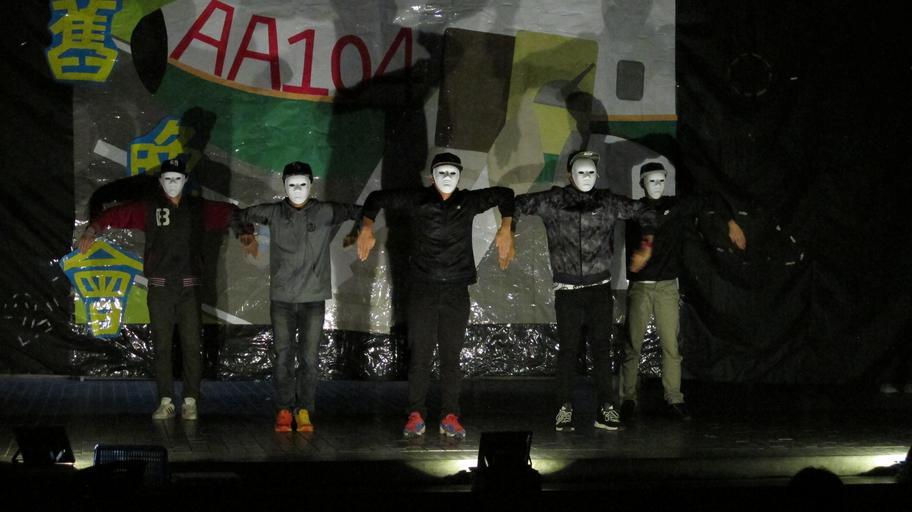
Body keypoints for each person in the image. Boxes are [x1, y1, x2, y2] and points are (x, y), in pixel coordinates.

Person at [356, 152, 514, 439]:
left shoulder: (467, 202)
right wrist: (366, 227)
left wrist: (507, 228)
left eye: (453, 173)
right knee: (421, 355)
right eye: (442, 173)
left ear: (460, 176)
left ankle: (450, 415)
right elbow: (376, 198)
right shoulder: (418, 200)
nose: (447, 178)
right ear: (432, 176)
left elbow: (505, 194)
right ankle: (416, 413)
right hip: (423, 289)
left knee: (451, 357)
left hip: (455, 289)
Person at [78, 156, 239, 420]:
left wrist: (246, 230)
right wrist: (92, 229)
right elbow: (116, 214)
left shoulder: (197, 208)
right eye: (168, 179)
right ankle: (166, 400)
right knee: (162, 346)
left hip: (189, 288)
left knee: (191, 345)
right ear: (161, 181)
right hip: (161, 288)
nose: (172, 183)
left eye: (177, 179)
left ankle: (190, 400)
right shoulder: (149, 207)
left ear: (185, 181)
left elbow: (231, 212)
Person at [513, 150, 656, 432]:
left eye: (591, 172)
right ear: (570, 175)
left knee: (601, 350)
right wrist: (507, 229)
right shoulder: (554, 201)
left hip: (598, 288)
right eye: (581, 172)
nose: (586, 177)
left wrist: (647, 245)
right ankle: (564, 407)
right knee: (568, 350)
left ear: (597, 175)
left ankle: (607, 407)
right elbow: (517, 203)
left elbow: (645, 211)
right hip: (567, 290)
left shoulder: (607, 202)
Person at [234, 161, 360, 432]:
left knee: (309, 359)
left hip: (313, 299)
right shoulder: (274, 212)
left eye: (303, 184)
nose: (298, 189)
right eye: (292, 185)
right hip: (282, 298)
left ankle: (304, 410)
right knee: (283, 357)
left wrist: (362, 231)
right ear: (284, 186)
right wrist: (246, 235)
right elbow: (239, 214)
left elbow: (360, 211)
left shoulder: (324, 211)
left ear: (311, 185)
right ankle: (283, 409)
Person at [620, 161, 746, 422]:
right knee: (633, 345)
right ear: (642, 183)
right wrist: (645, 247)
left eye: (660, 180)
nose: (657, 185)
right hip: (641, 286)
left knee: (671, 347)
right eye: (651, 181)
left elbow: (710, 198)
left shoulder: (676, 206)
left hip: (667, 286)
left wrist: (731, 222)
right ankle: (628, 398)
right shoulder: (635, 209)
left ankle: (674, 398)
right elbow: (648, 223)